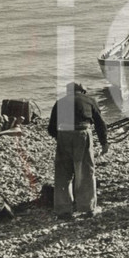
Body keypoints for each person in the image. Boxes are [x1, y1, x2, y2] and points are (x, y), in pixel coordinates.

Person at [47, 82, 108, 219]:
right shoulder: (90, 100)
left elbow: (51, 128)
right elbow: (100, 124)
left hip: (63, 134)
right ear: (83, 91)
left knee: (63, 173)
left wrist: (61, 138)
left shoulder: (60, 102)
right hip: (82, 133)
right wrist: (104, 143)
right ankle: (87, 209)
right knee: (85, 171)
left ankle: (63, 210)